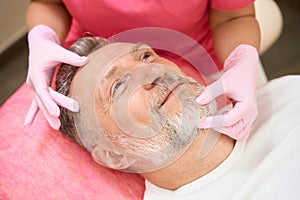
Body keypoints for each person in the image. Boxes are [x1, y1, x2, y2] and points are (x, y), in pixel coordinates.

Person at [55, 37, 300, 200]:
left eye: (146, 57)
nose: (154, 72)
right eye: (118, 86)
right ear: (113, 155)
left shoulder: (286, 94)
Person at [24, 0, 260, 140]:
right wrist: (42, 37)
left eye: (146, 57)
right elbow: (48, 3)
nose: (149, 74)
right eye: (119, 86)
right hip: (91, 52)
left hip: (196, 57)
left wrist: (241, 61)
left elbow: (233, 17)